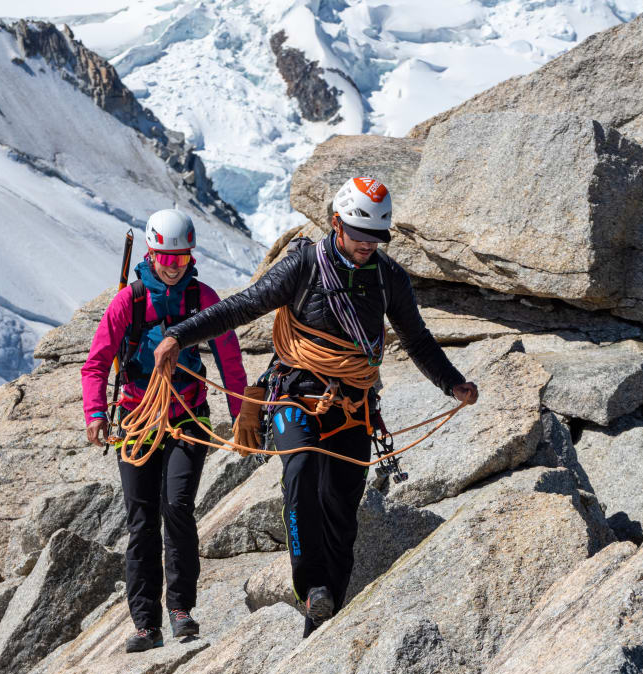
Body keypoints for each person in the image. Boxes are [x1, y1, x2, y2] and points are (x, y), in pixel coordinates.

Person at [154, 178, 478, 638]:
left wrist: (453, 383)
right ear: (335, 224)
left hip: (354, 404)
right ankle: (312, 588)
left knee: (341, 509)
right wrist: (177, 336)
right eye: (360, 236)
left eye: (376, 239)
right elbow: (243, 307)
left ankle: (322, 622)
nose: (368, 246)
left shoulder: (388, 278)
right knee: (301, 472)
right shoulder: (304, 265)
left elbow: (417, 339)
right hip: (294, 395)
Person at [82, 208, 247, 652]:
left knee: (176, 508)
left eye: (182, 259)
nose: (174, 267)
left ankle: (180, 610)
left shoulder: (203, 298)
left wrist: (243, 413)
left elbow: (229, 359)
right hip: (138, 418)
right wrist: (95, 413)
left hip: (188, 416)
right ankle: (144, 623)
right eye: (166, 259)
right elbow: (96, 364)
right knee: (141, 523)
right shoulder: (130, 301)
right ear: (151, 254)